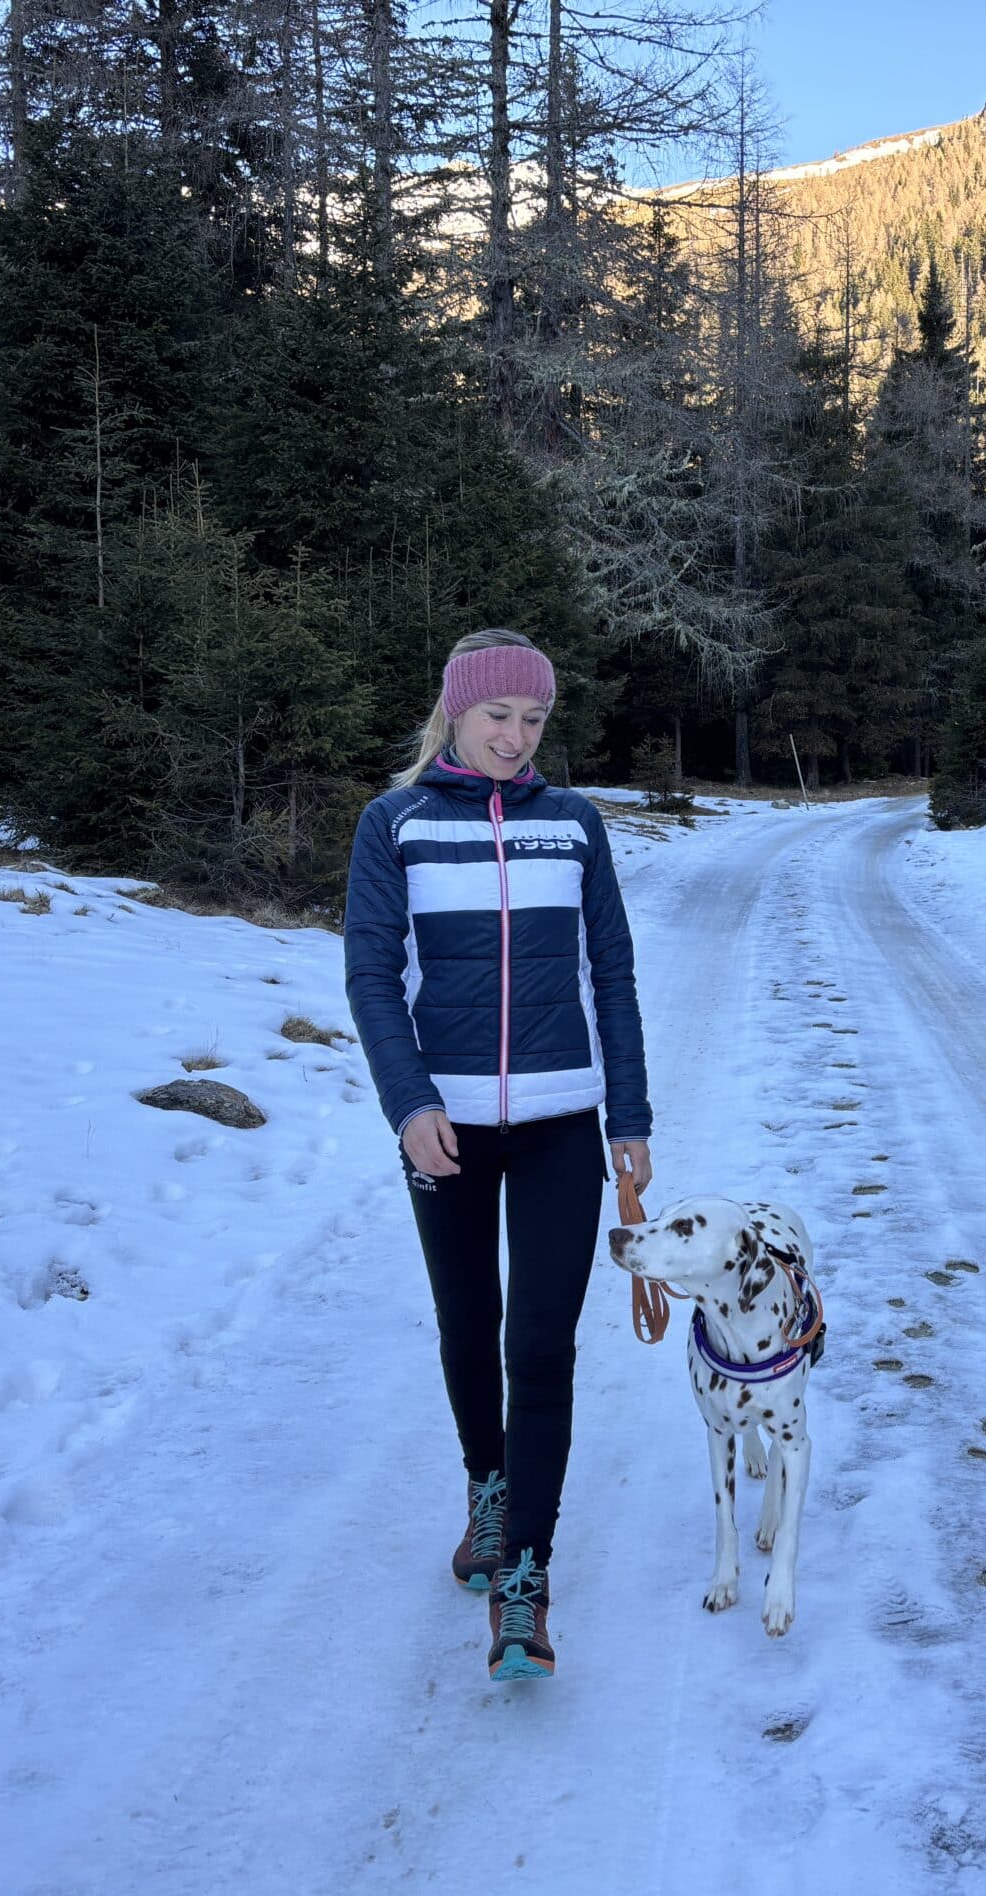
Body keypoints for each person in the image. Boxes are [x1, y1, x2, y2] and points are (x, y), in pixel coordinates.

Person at [344, 629, 653, 1682]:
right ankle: (488, 1483)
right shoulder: (395, 825)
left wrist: (629, 1118)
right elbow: (372, 977)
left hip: (564, 1119)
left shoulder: (572, 824)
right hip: (447, 1126)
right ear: (455, 713)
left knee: (542, 1346)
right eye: (497, 716)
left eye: (533, 718)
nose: (517, 737)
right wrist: (408, 1102)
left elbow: (611, 972)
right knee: (469, 1321)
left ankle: (525, 1574)